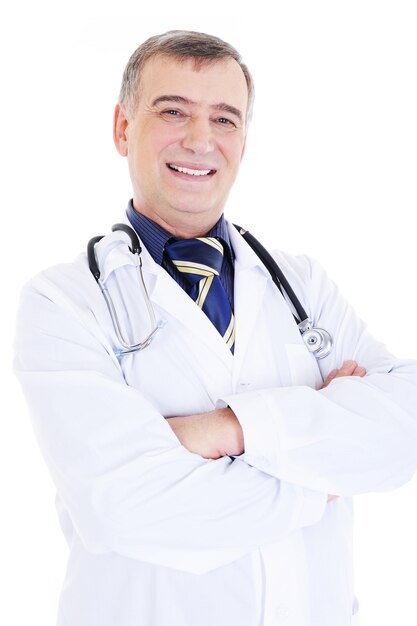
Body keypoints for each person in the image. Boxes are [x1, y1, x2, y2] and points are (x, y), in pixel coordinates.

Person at [14, 30, 417, 626]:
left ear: (244, 140)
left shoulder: (303, 285)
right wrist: (322, 473)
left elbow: (404, 430)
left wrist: (224, 429)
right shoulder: (64, 302)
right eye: (173, 111)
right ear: (123, 128)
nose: (201, 140)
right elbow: (123, 508)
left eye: (224, 119)